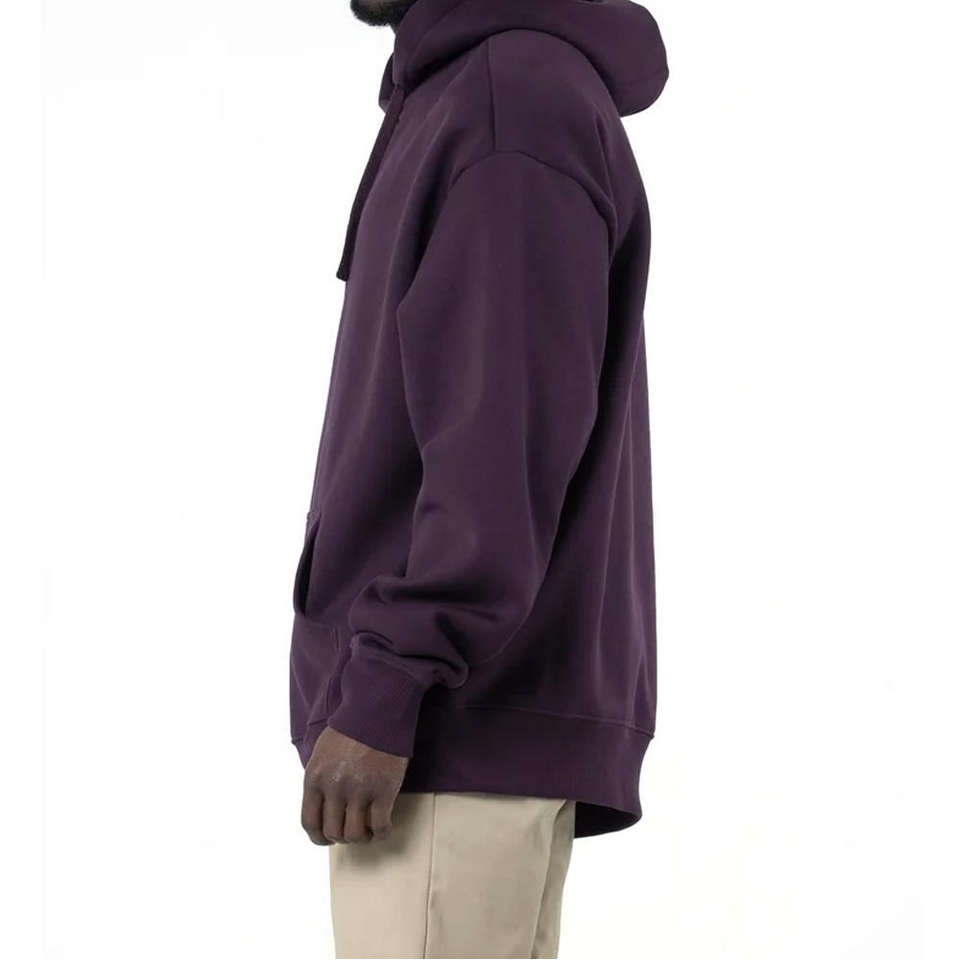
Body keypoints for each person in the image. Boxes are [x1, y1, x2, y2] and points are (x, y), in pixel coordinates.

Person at [289, 0, 668, 955]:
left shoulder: (511, 100)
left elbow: (502, 445)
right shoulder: (477, 94)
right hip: (462, 721)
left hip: (444, 726)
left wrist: (390, 681)